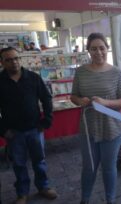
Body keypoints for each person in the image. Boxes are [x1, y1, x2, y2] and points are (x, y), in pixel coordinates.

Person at [70, 33, 121, 204]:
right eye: (93, 48)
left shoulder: (117, 72)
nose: (98, 52)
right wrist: (79, 100)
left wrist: (106, 102)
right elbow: (73, 96)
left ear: (107, 48)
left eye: (101, 48)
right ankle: (85, 199)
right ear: (88, 51)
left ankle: (110, 200)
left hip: (112, 127)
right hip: (88, 127)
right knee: (89, 167)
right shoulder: (80, 72)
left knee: (108, 167)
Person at [0, 47, 57, 204]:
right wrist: (3, 130)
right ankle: (22, 193)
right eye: (9, 59)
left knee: (39, 160)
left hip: (35, 129)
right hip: (14, 132)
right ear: (2, 62)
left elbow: (46, 99)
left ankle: (43, 187)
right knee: (19, 164)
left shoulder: (33, 77)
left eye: (16, 58)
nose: (14, 62)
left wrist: (46, 120)